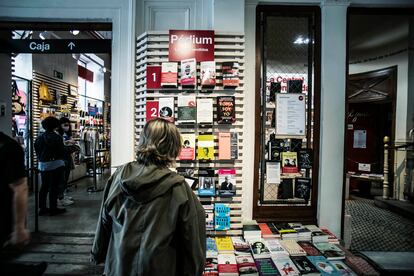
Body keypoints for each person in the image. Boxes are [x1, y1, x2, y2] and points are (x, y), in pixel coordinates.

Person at [91, 118, 206, 276]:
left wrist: (97, 253)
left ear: (143, 141)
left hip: (119, 264)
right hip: (160, 266)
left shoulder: (119, 176)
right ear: (173, 146)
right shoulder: (178, 187)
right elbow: (192, 237)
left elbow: (104, 220)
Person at [0, 131, 47, 275]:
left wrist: (19, 227)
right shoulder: (9, 145)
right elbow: (20, 186)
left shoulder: (8, 147)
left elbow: (19, 187)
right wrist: (19, 228)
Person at [34, 116, 66, 216]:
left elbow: (37, 151)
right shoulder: (57, 137)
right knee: (54, 187)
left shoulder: (39, 138)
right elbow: (61, 151)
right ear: (55, 126)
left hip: (43, 165)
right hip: (56, 164)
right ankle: (53, 208)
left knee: (44, 187)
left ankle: (42, 208)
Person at [57, 117, 76, 206]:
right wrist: (68, 142)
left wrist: (70, 141)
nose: (67, 127)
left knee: (65, 177)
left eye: (68, 125)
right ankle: (60, 198)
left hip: (67, 156)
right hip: (61, 158)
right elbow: (60, 145)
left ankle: (63, 195)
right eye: (65, 125)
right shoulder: (57, 134)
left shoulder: (67, 133)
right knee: (61, 178)